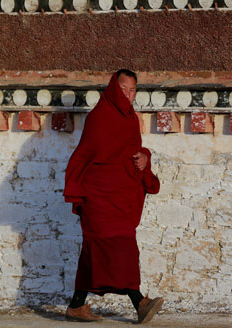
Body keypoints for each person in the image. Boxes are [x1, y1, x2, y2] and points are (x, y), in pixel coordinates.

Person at [62, 69, 162, 324]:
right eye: (123, 89)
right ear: (113, 88)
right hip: (98, 195)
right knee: (121, 247)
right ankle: (139, 301)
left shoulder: (130, 118)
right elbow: (89, 155)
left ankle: (76, 305)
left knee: (94, 252)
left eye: (132, 90)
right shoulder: (100, 117)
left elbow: (130, 151)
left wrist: (144, 157)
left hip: (119, 196)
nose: (128, 94)